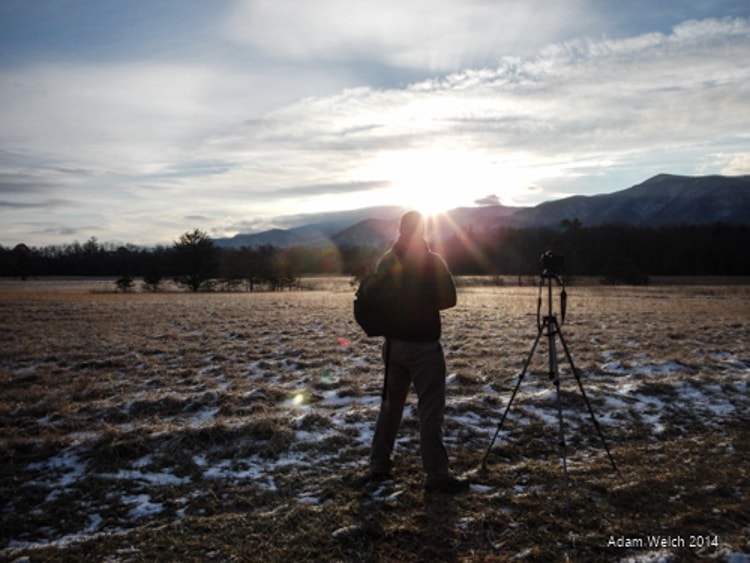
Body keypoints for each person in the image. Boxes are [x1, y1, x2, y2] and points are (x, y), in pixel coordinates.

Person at [369, 211, 469, 494]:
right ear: (422, 231)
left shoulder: (387, 260)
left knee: (390, 408)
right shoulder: (432, 261)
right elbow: (450, 298)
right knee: (430, 411)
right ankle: (436, 475)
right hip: (424, 346)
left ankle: (379, 464)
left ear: (401, 229)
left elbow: (375, 298)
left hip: (393, 347)